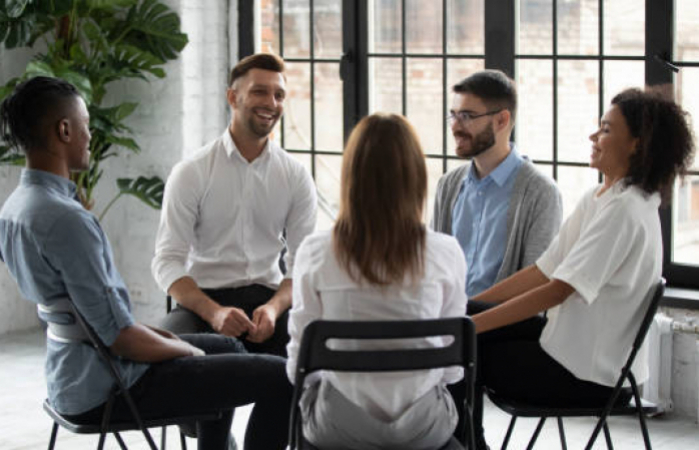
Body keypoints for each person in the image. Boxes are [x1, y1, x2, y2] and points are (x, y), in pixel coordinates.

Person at [0, 76, 292, 450]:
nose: (89, 136)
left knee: (228, 348)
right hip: (112, 385)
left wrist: (167, 339)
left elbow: (95, 322)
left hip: (70, 375)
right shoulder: (68, 220)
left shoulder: (14, 211)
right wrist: (184, 350)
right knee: (283, 375)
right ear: (65, 130)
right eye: (86, 126)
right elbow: (122, 340)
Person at [450, 88, 696, 450]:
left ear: (637, 145)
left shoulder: (626, 210)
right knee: (460, 323)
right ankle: (469, 443)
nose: (594, 137)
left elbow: (557, 290)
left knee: (462, 350)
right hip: (563, 346)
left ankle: (468, 445)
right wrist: (469, 306)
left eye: (607, 130)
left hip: (585, 375)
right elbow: (543, 271)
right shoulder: (602, 197)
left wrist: (468, 327)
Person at [286, 113, 468, 449]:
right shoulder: (446, 252)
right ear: (415, 178)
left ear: (350, 177)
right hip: (423, 430)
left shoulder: (314, 252)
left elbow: (299, 366)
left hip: (337, 428)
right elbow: (453, 371)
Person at [152, 53, 317, 357]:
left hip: (269, 302)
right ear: (233, 97)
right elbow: (168, 261)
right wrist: (214, 313)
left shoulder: (296, 176)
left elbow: (302, 265)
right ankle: (215, 406)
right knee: (172, 356)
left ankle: (272, 406)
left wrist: (274, 307)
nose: (271, 102)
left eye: (279, 95)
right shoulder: (192, 172)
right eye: (259, 91)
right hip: (204, 300)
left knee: (312, 351)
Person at [432, 70, 562, 297]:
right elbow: (433, 266)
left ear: (501, 120)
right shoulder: (448, 185)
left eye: (467, 116)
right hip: (447, 323)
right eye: (453, 115)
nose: (454, 127)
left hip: (503, 329)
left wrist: (472, 320)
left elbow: (536, 287)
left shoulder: (541, 193)